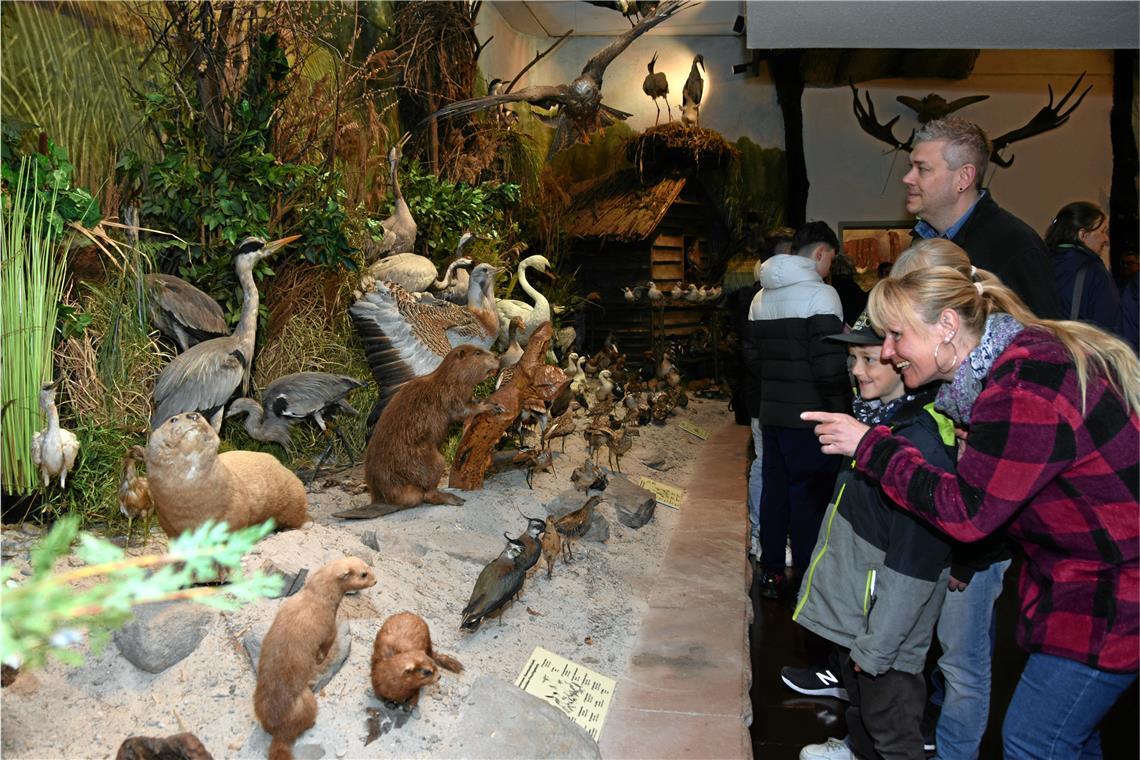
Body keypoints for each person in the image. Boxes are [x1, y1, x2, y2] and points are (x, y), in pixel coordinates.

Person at [804, 267, 1139, 759]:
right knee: (1072, 737)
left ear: (946, 326)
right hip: (1082, 582)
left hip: (1110, 591)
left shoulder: (1022, 386)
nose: (890, 351)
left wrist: (870, 448)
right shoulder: (1013, 369)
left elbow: (967, 514)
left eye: (897, 335)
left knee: (1035, 740)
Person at [796, 313, 956, 760]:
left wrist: (880, 644)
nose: (858, 370)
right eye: (853, 358)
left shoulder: (915, 443)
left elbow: (916, 560)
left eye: (870, 358)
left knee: (892, 730)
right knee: (864, 716)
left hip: (886, 632)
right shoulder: (875, 425)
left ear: (903, 362)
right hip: (862, 621)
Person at [744, 221, 850, 598]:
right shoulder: (823, 297)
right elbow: (829, 365)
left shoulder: (761, 298)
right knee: (809, 498)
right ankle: (808, 579)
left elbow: (753, 358)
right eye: (831, 259)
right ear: (820, 253)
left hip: (772, 413)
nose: (829, 268)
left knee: (775, 493)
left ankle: (771, 571)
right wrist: (843, 412)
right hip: (812, 418)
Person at [904, 117, 1061, 319]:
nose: (907, 178)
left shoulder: (1015, 247)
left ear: (963, 178)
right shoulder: (923, 240)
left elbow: (1044, 340)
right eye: (910, 167)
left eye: (922, 169)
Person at [738, 230, 795, 556]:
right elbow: (752, 354)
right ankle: (761, 531)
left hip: (784, 396)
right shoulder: (755, 299)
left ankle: (775, 531)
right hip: (765, 396)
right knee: (766, 462)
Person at [1044, 201, 1124, 338]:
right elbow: (1110, 328)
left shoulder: (1041, 261)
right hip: (1080, 352)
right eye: (1103, 231)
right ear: (1082, 235)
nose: (1106, 239)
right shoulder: (1094, 272)